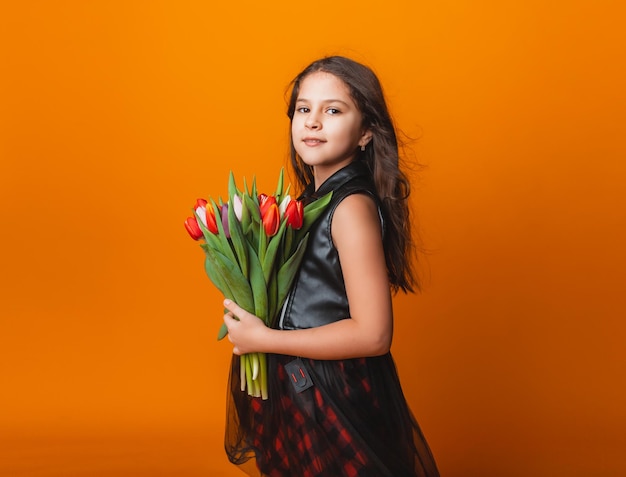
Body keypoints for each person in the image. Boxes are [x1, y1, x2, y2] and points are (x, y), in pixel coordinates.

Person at [221, 56, 440, 477]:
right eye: (304, 109)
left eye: (333, 110)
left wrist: (265, 337)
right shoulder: (309, 202)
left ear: (365, 134)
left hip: (331, 393)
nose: (313, 122)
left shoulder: (350, 207)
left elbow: (373, 334)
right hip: (301, 384)